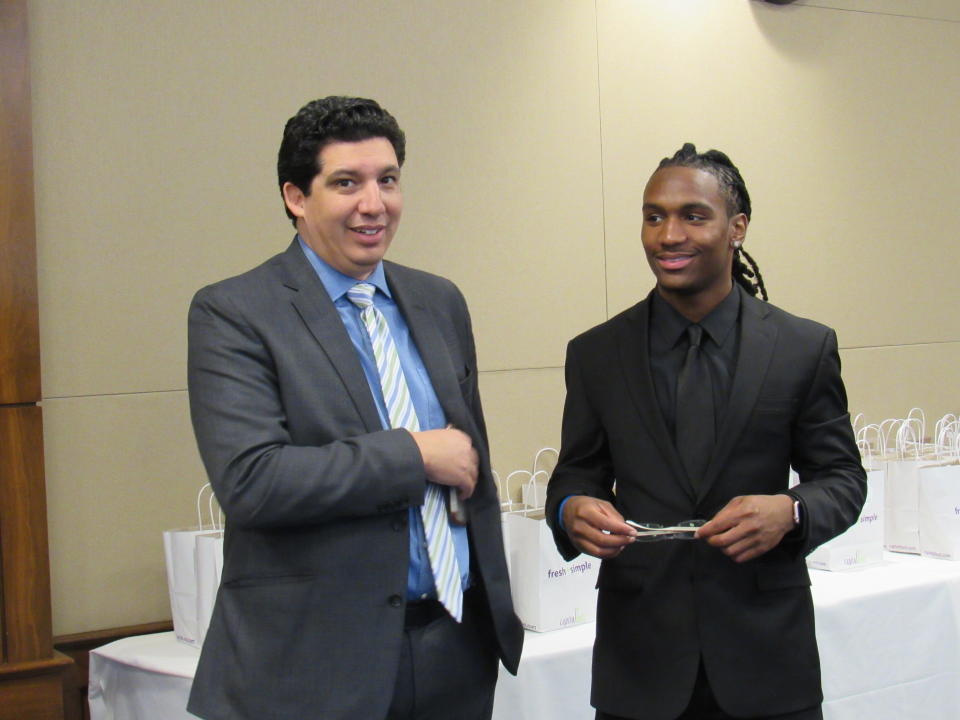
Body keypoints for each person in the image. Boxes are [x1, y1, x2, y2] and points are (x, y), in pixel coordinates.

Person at [186, 96, 522, 720]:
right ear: (296, 197)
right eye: (346, 183)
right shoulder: (234, 313)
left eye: (387, 180)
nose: (375, 204)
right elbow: (253, 482)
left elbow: (470, 467)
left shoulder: (438, 300)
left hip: (456, 646)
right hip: (314, 669)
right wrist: (413, 454)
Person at [545, 143, 866, 720]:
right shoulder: (596, 353)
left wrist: (790, 512)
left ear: (736, 227)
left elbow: (841, 477)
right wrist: (571, 508)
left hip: (767, 662)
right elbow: (577, 472)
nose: (668, 234)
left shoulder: (801, 348)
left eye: (694, 215)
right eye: (653, 216)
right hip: (639, 666)